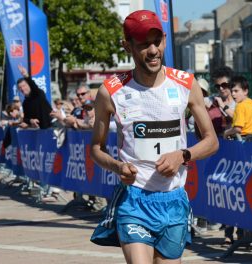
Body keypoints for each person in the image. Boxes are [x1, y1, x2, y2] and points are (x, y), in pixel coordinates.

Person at [89, 10, 218, 264]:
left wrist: (183, 155)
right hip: (134, 199)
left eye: (156, 41)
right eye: (143, 44)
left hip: (173, 199)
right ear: (127, 46)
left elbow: (212, 141)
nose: (152, 50)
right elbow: (96, 148)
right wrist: (117, 166)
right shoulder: (110, 91)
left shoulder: (186, 84)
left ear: (165, 40)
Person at [17, 65, 53, 129]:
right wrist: (31, 121)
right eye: (20, 87)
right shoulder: (25, 102)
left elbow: (33, 85)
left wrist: (26, 76)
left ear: (29, 85)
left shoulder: (38, 93)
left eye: (24, 86)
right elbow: (26, 118)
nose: (22, 89)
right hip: (39, 130)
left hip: (50, 126)